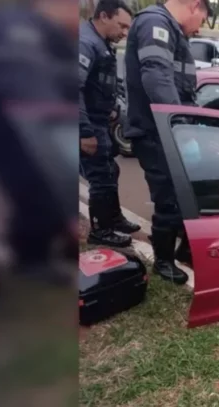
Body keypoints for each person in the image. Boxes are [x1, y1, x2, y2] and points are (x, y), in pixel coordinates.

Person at [0, 0, 81, 276]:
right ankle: (32, 259)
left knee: (50, 186)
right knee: (37, 188)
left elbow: (68, 83)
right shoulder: (13, 29)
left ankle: (54, 244)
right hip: (6, 129)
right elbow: (32, 106)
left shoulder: (47, 31)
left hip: (30, 125)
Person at [124, 0, 211, 284]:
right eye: (203, 20)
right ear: (195, 6)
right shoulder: (155, 23)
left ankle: (185, 248)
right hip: (157, 132)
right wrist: (177, 127)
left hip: (167, 130)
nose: (199, 29)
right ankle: (163, 260)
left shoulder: (170, 28)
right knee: (169, 198)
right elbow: (157, 77)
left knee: (183, 194)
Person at [79, 0, 138, 248]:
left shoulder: (101, 42)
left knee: (111, 171)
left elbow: (98, 84)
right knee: (101, 177)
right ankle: (101, 230)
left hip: (100, 120)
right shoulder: (86, 43)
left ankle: (113, 218)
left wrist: (111, 108)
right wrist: (84, 132)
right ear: (104, 16)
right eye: (122, 26)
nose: (125, 33)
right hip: (88, 124)